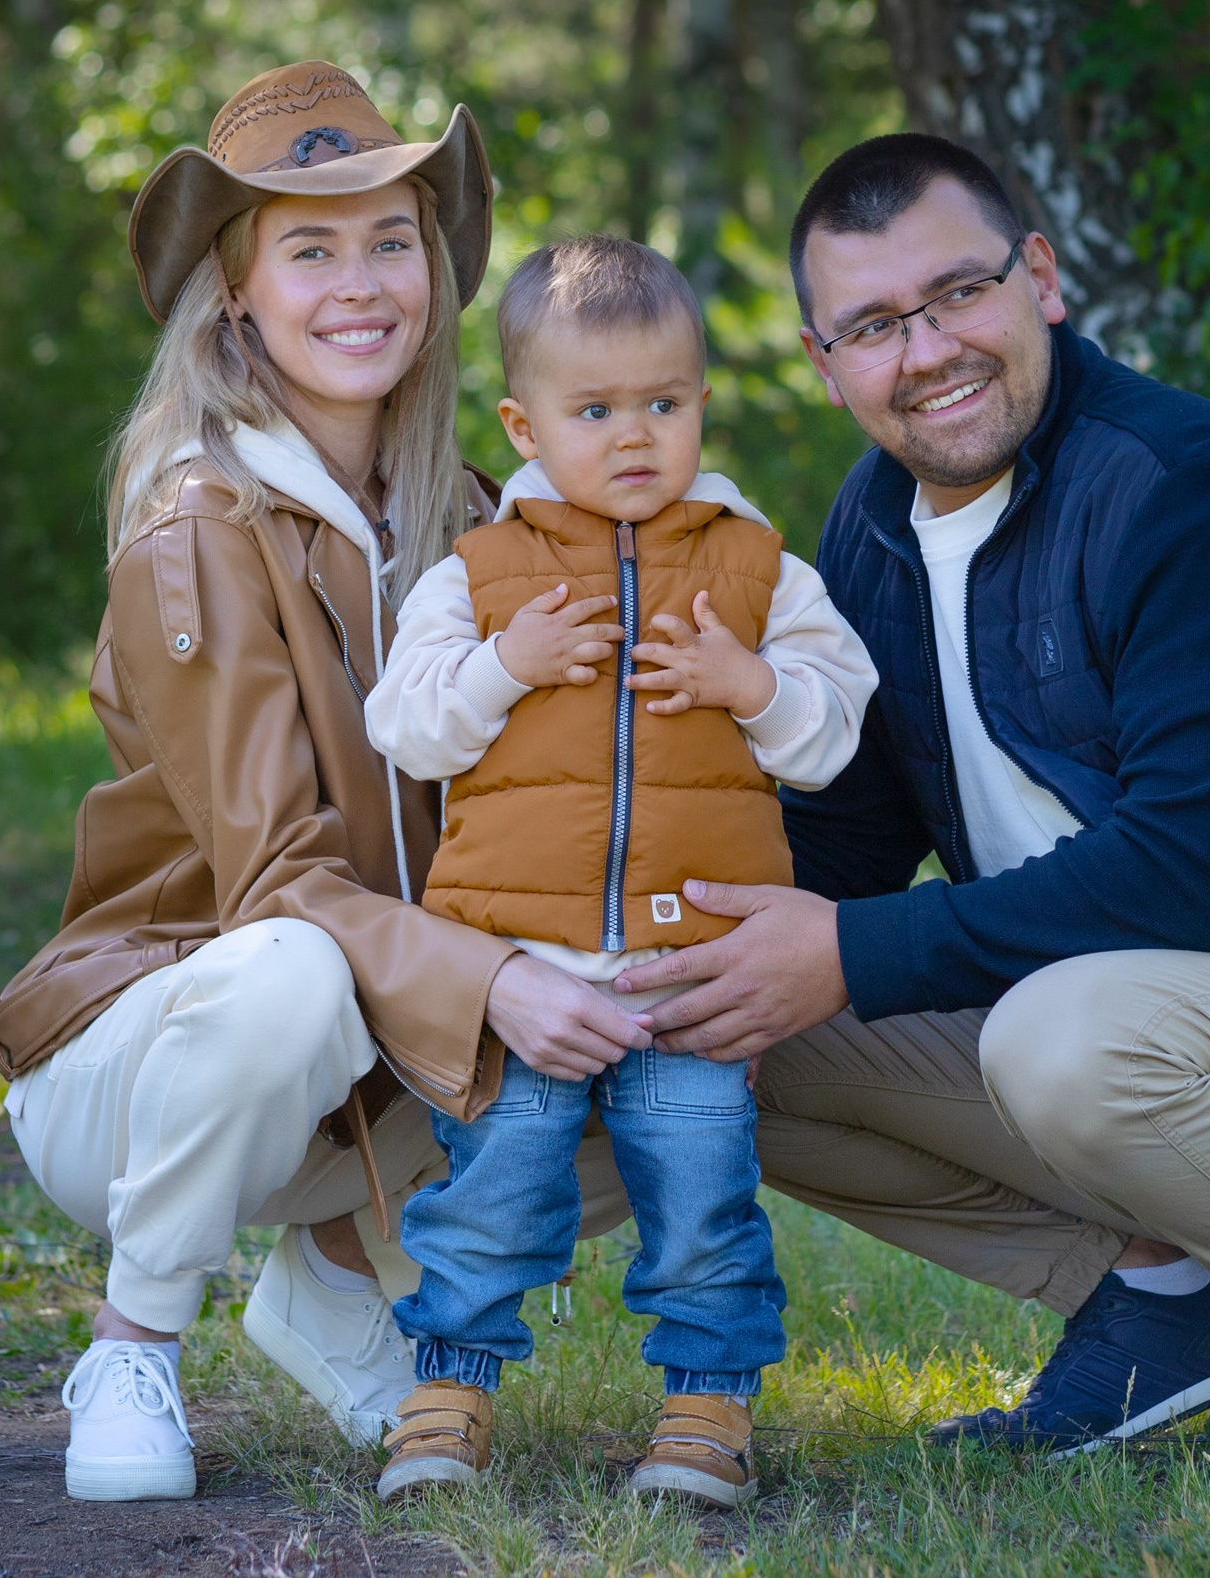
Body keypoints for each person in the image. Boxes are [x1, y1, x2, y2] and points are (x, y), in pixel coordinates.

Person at [617, 133, 1210, 1479]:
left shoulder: (1186, 492)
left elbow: (1189, 879)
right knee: (718, 1030)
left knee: (1063, 1033)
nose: (930, 349)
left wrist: (846, 950)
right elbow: (844, 843)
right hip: (1155, 1038)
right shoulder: (871, 528)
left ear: (1041, 280)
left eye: (960, 293)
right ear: (828, 363)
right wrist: (633, 922)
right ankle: (1168, 1296)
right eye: (876, 325)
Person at [0, 63, 658, 1503]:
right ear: (236, 291)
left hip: (363, 1069)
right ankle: (133, 1338)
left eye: (391, 239)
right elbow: (278, 885)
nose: (361, 284)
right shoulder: (198, 528)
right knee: (291, 964)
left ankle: (341, 1263)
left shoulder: (478, 519)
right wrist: (495, 981)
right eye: (309, 246)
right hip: (154, 1048)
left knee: (667, 1025)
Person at [360, 236, 877, 1508]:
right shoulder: (479, 575)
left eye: (665, 402)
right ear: (523, 424)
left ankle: (706, 1406)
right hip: (522, 972)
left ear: (703, 400)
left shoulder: (758, 573)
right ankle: (446, 1389)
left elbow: (837, 728)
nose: (634, 435)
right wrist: (506, 665)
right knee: (494, 1189)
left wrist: (749, 685)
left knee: (704, 1197)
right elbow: (406, 726)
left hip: (693, 975)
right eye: (595, 410)